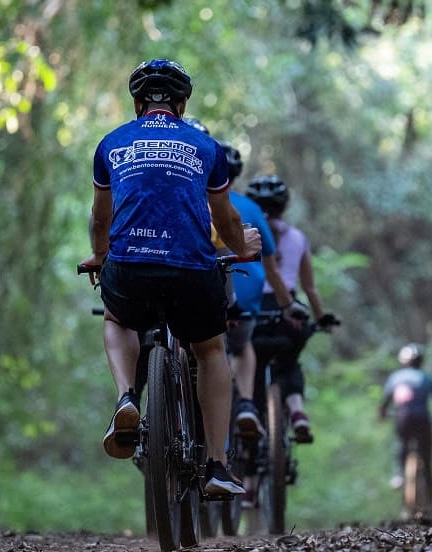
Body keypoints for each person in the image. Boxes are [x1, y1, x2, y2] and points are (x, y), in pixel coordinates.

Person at [81, 58, 261, 497]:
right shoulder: (205, 147)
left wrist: (101, 257)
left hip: (130, 266)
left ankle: (127, 398)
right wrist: (241, 249)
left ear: (138, 102)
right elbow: (225, 214)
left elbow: (100, 218)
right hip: (192, 270)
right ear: (181, 104)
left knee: (117, 319)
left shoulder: (111, 144)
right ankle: (217, 465)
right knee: (211, 351)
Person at [246, 174, 335, 443]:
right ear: (284, 206)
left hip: (252, 309)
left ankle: (248, 424)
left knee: (248, 364)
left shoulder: (245, 234)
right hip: (289, 311)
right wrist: (321, 318)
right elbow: (310, 288)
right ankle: (297, 411)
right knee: (289, 362)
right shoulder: (298, 237)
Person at [212, 141, 292, 440]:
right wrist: (287, 305)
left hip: (198, 294)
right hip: (242, 300)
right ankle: (246, 402)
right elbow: (270, 267)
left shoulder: (191, 199)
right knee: (242, 346)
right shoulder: (250, 208)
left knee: (207, 352)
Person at [379, 343, 432, 506]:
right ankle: (429, 497)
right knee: (427, 459)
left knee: (401, 443)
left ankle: (399, 475)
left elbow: (384, 403)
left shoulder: (396, 378)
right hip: (423, 420)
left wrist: (382, 413)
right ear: (421, 361)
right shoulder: (426, 378)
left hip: (403, 419)